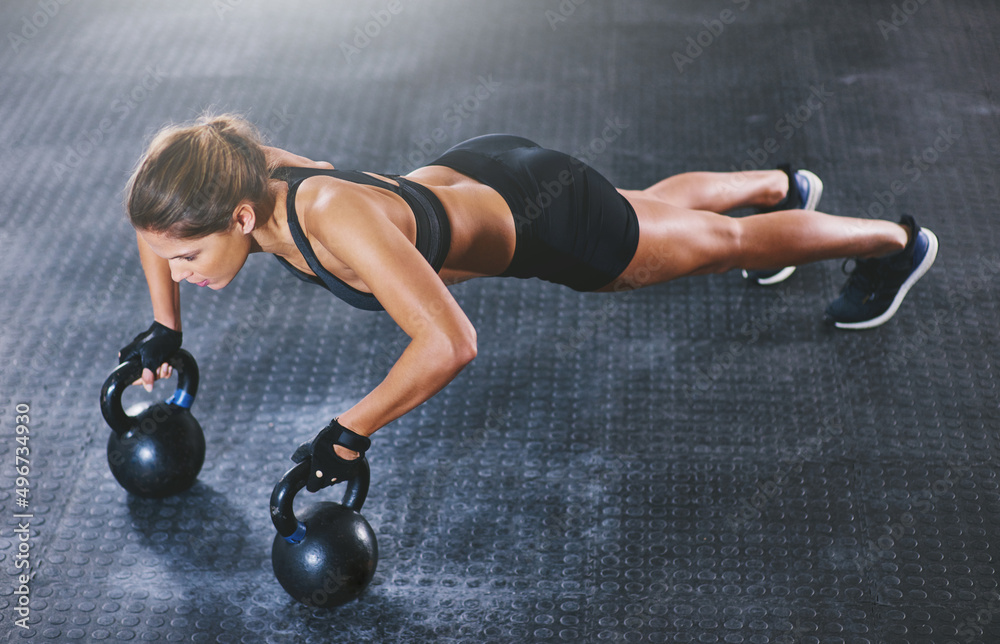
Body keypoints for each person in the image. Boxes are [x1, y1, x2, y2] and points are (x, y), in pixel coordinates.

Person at [117, 114, 937, 492]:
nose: (180, 269)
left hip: (542, 224)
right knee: (650, 208)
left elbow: (449, 341)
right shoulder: (221, 164)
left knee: (723, 247)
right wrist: (165, 325)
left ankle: (896, 242)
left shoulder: (328, 215)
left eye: (188, 258)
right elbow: (154, 226)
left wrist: (349, 433)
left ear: (240, 219)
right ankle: (782, 183)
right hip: (488, 171)